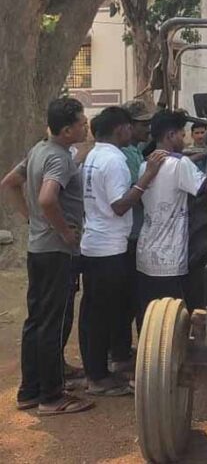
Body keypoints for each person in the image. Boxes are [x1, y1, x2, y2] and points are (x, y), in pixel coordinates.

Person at [0, 98, 94, 415]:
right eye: (81, 122)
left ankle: (29, 390)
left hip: (37, 249)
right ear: (66, 131)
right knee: (54, 322)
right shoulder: (58, 158)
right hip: (57, 252)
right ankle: (52, 397)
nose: (86, 126)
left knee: (36, 319)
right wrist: (65, 232)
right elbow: (47, 198)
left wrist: (31, 220)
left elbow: (9, 183)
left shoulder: (39, 150)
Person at [80, 106, 166, 396]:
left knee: (95, 313)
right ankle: (98, 378)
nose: (134, 131)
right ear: (120, 129)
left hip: (94, 242)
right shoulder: (115, 160)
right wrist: (147, 177)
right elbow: (119, 205)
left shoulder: (94, 154)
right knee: (104, 314)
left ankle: (97, 371)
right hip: (109, 246)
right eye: (130, 126)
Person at [135, 110, 207, 323]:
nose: (184, 140)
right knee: (171, 321)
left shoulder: (144, 166)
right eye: (182, 135)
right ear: (170, 135)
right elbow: (206, 187)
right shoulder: (179, 164)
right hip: (170, 259)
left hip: (146, 254)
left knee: (149, 317)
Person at [111, 99, 154, 373]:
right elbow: (126, 198)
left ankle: (124, 349)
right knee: (126, 299)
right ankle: (119, 352)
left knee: (133, 296)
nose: (147, 129)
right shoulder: (123, 157)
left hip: (135, 234)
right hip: (128, 236)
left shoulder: (136, 150)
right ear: (127, 126)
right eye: (142, 124)